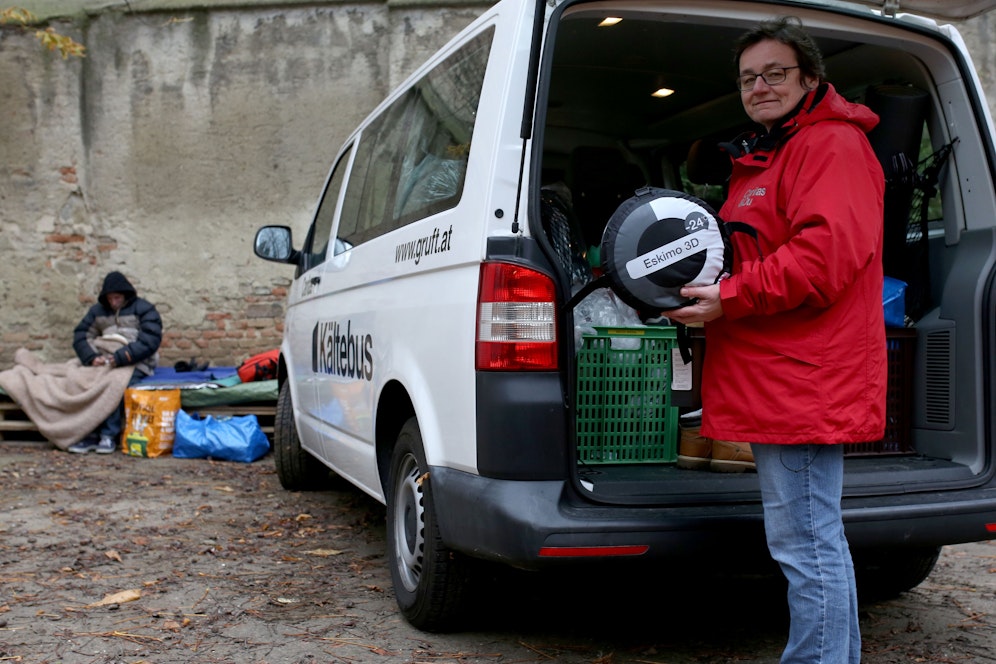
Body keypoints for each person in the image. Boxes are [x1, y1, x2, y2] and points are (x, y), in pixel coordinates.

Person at [668, 17, 886, 664]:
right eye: (748, 78)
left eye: (775, 73)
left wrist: (728, 298)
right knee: (810, 538)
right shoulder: (778, 150)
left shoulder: (830, 146)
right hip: (782, 374)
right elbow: (763, 249)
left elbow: (822, 259)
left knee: (807, 542)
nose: (760, 86)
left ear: (811, 77)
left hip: (804, 379)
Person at [68, 271, 163, 454]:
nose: (113, 302)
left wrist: (120, 357)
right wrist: (92, 357)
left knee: (116, 384)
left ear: (125, 295)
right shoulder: (97, 311)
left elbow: (149, 341)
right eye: (110, 299)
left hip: (137, 362)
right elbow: (81, 335)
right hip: (106, 361)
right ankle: (87, 433)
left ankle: (108, 435)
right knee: (84, 381)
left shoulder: (144, 309)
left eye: (117, 297)